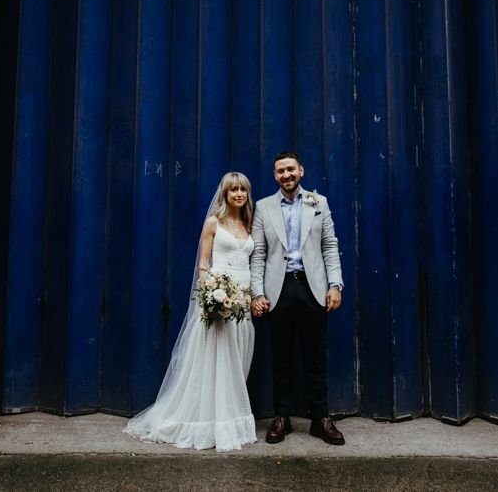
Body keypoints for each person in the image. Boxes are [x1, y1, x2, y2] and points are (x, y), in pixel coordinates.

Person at [124, 172, 257, 452]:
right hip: (219, 301)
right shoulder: (213, 223)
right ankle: (207, 422)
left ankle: (230, 416)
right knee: (215, 361)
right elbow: (204, 262)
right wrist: (211, 294)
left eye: (242, 189)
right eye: (232, 189)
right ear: (224, 194)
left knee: (237, 360)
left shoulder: (248, 224)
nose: (238, 194)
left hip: (242, 303)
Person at [250, 151, 345, 445]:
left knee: (315, 356)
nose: (286, 175)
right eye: (280, 171)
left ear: (301, 171)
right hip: (278, 290)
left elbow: (330, 245)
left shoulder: (320, 203)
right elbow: (259, 253)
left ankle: (320, 418)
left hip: (312, 288)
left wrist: (335, 285)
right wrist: (257, 292)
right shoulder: (263, 207)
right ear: (275, 176)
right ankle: (282, 417)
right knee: (281, 357)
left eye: (290, 169)